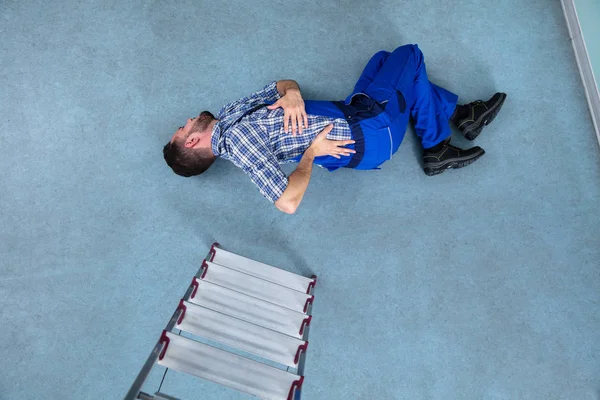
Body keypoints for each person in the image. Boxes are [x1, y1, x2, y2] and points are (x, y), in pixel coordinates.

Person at [163, 44, 506, 214]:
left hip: (353, 108)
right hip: (371, 131)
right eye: (183, 127)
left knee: (383, 60)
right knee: (409, 56)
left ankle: (462, 115)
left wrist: (292, 93)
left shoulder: (228, 116)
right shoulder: (239, 143)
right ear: (193, 140)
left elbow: (280, 84)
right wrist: (311, 154)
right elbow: (288, 202)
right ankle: (437, 145)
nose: (188, 119)